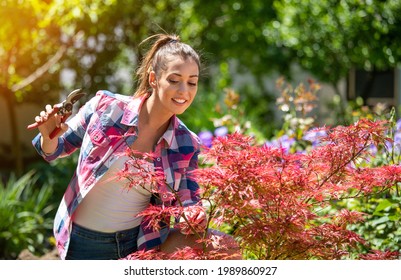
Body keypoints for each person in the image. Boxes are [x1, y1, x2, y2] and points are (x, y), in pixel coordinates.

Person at [31, 34, 209, 260]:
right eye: (174, 80)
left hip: (138, 245)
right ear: (153, 79)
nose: (184, 90)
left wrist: (194, 214)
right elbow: (55, 149)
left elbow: (190, 201)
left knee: (221, 244)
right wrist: (49, 136)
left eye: (192, 82)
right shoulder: (106, 108)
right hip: (82, 243)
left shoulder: (187, 143)